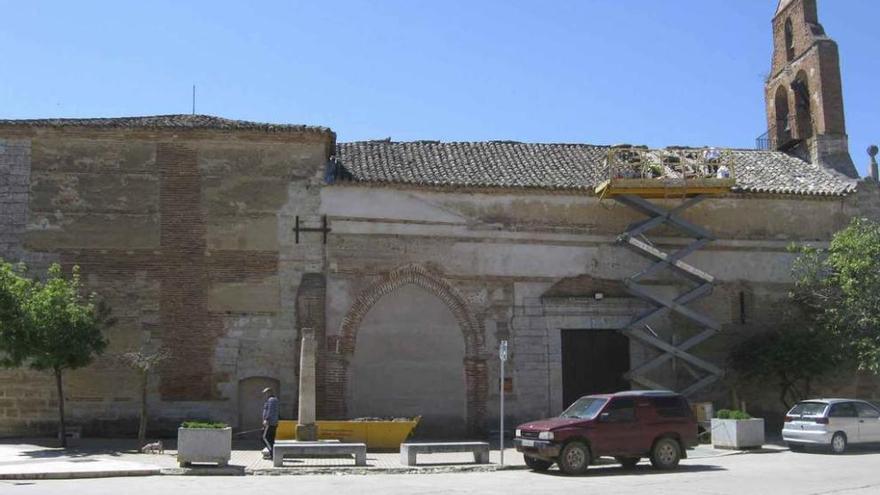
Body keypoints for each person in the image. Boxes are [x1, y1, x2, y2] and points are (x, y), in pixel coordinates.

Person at [261, 387, 279, 459]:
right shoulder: (274, 400)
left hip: (270, 423)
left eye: (265, 393)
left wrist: (266, 420)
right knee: (271, 439)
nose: (264, 395)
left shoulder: (271, 400)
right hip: (273, 423)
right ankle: (273, 454)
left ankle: (272, 453)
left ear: (269, 393)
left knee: (264, 437)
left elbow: (270, 411)